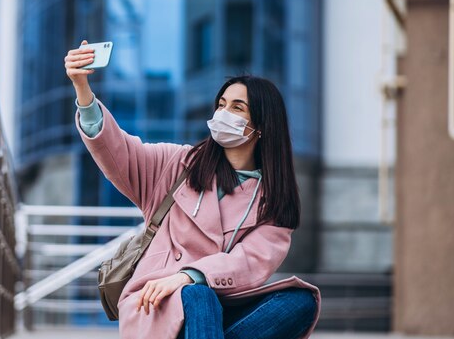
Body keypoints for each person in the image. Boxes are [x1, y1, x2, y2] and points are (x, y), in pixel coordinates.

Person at [64, 42, 321, 339]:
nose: (224, 112)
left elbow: (250, 262)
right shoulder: (180, 164)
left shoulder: (273, 199)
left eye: (237, 107)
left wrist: (189, 275)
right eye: (221, 104)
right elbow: (119, 153)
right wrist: (83, 92)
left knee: (300, 301)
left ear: (261, 127)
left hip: (224, 302)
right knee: (198, 296)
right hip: (157, 299)